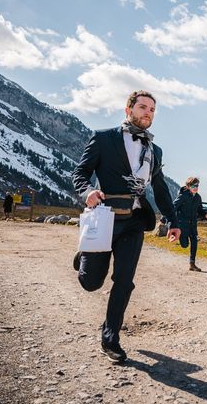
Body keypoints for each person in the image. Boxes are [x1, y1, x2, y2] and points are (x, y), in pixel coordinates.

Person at [72, 90, 180, 363]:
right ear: (128, 109)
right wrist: (87, 192)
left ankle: (110, 337)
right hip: (104, 219)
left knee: (124, 280)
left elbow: (160, 188)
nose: (148, 113)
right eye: (143, 107)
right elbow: (81, 173)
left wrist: (172, 220)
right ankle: (85, 256)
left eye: (152, 110)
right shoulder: (103, 138)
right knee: (91, 283)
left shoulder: (155, 150)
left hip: (133, 222)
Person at [173, 177, 207, 271]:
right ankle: (179, 236)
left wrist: (205, 214)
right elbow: (173, 207)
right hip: (183, 225)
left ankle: (192, 264)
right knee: (185, 245)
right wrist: (164, 219)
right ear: (188, 186)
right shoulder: (183, 196)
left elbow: (200, 210)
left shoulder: (198, 197)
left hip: (193, 224)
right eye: (193, 186)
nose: (195, 187)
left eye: (197, 185)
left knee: (194, 242)